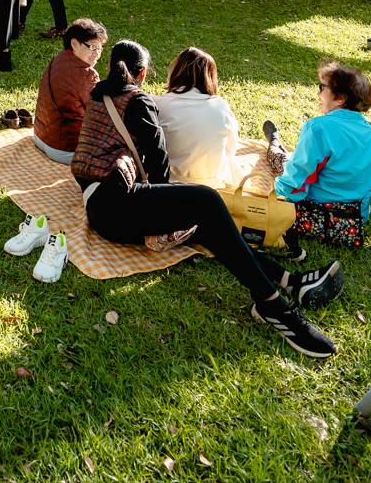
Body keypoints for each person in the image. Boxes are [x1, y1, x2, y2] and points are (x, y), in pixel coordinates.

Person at [73, 41, 345, 359]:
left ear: (110, 67)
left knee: (210, 227)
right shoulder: (138, 101)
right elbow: (159, 166)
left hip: (102, 207)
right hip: (116, 205)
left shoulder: (98, 95)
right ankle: (274, 306)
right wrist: (171, 206)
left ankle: (289, 281)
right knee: (206, 201)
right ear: (143, 73)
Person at [273, 62, 371, 263]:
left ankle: (275, 146)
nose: (318, 94)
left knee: (279, 162)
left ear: (340, 98)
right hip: (350, 228)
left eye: (322, 87)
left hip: (308, 219)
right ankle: (277, 147)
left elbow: (296, 183)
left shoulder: (318, 128)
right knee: (286, 159)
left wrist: (272, 199)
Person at [148, 47, 241, 189]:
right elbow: (231, 147)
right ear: (210, 78)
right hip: (212, 184)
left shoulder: (157, 104)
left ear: (175, 72)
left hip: (168, 183)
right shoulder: (221, 106)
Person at [26, 18, 106, 162]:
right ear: (74, 44)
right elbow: (100, 114)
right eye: (92, 47)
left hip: (40, 136)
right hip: (65, 149)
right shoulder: (87, 74)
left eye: (99, 49)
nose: (97, 54)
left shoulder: (58, 59)